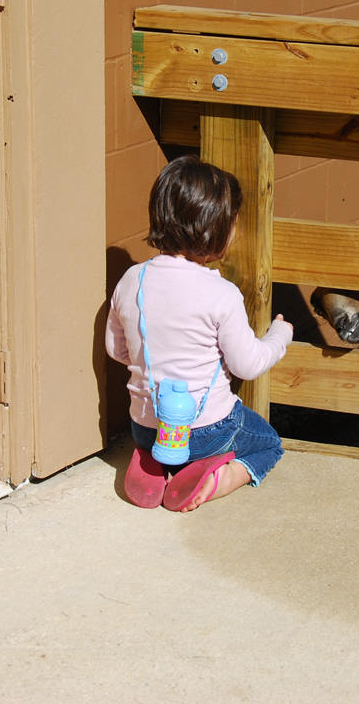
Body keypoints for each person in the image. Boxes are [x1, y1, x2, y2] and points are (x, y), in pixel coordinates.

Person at [105, 155, 293, 512]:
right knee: (267, 442)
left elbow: (117, 349)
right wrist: (279, 337)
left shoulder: (132, 280)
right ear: (217, 229)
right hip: (206, 431)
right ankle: (219, 479)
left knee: (158, 439)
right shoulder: (221, 294)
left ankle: (155, 463)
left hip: (145, 426)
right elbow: (248, 365)